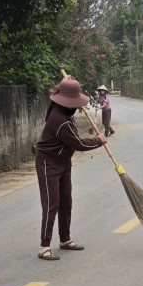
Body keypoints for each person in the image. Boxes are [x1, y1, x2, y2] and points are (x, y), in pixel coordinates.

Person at [35, 77, 107, 261]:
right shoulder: (60, 121)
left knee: (66, 201)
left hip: (64, 162)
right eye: (74, 103)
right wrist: (98, 140)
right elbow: (79, 144)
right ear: (66, 103)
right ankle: (44, 247)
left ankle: (65, 239)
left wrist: (65, 86)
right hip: (48, 163)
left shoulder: (63, 112)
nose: (77, 106)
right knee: (52, 203)